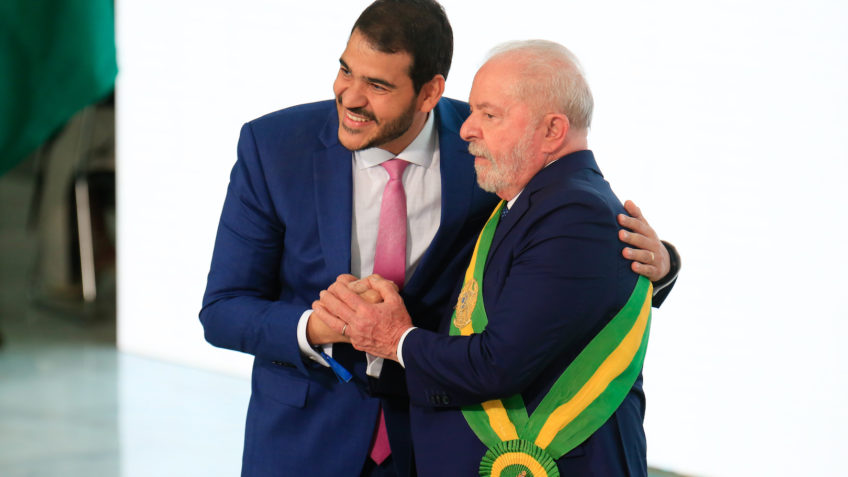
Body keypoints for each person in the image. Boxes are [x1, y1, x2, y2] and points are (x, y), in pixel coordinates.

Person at [200, 1, 678, 476]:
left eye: (378, 85)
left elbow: (566, 229)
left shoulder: (488, 144)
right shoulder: (274, 147)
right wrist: (320, 327)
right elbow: (223, 309)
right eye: (346, 71)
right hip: (305, 442)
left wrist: (659, 263)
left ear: (429, 92)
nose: (350, 97)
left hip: (439, 443)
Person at [314, 40, 666, 476]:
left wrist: (394, 337)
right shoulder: (528, 201)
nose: (466, 129)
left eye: (489, 115)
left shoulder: (575, 213)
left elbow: (497, 364)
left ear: (552, 131)